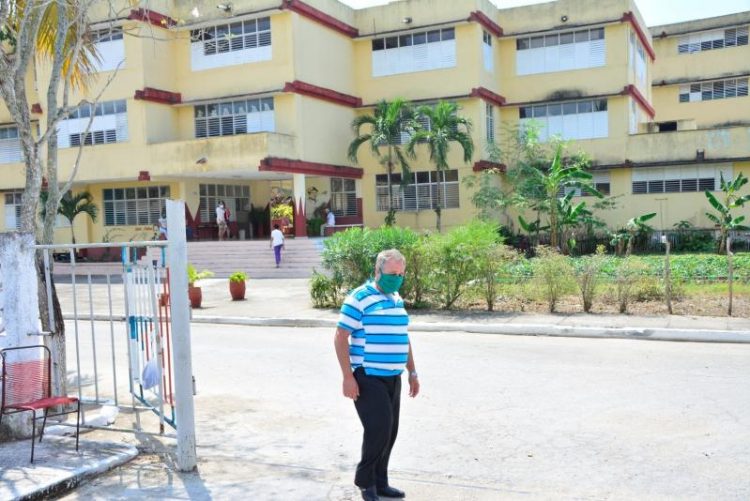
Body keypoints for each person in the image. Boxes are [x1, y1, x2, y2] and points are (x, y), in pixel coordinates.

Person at [334, 249, 419, 501]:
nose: (397, 278)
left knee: (390, 432)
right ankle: (365, 481)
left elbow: (403, 338)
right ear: (377, 271)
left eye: (401, 274)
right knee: (378, 429)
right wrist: (347, 377)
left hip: (393, 376)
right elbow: (340, 336)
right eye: (393, 273)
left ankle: (380, 482)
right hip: (367, 375)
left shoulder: (396, 298)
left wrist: (412, 371)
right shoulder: (359, 297)